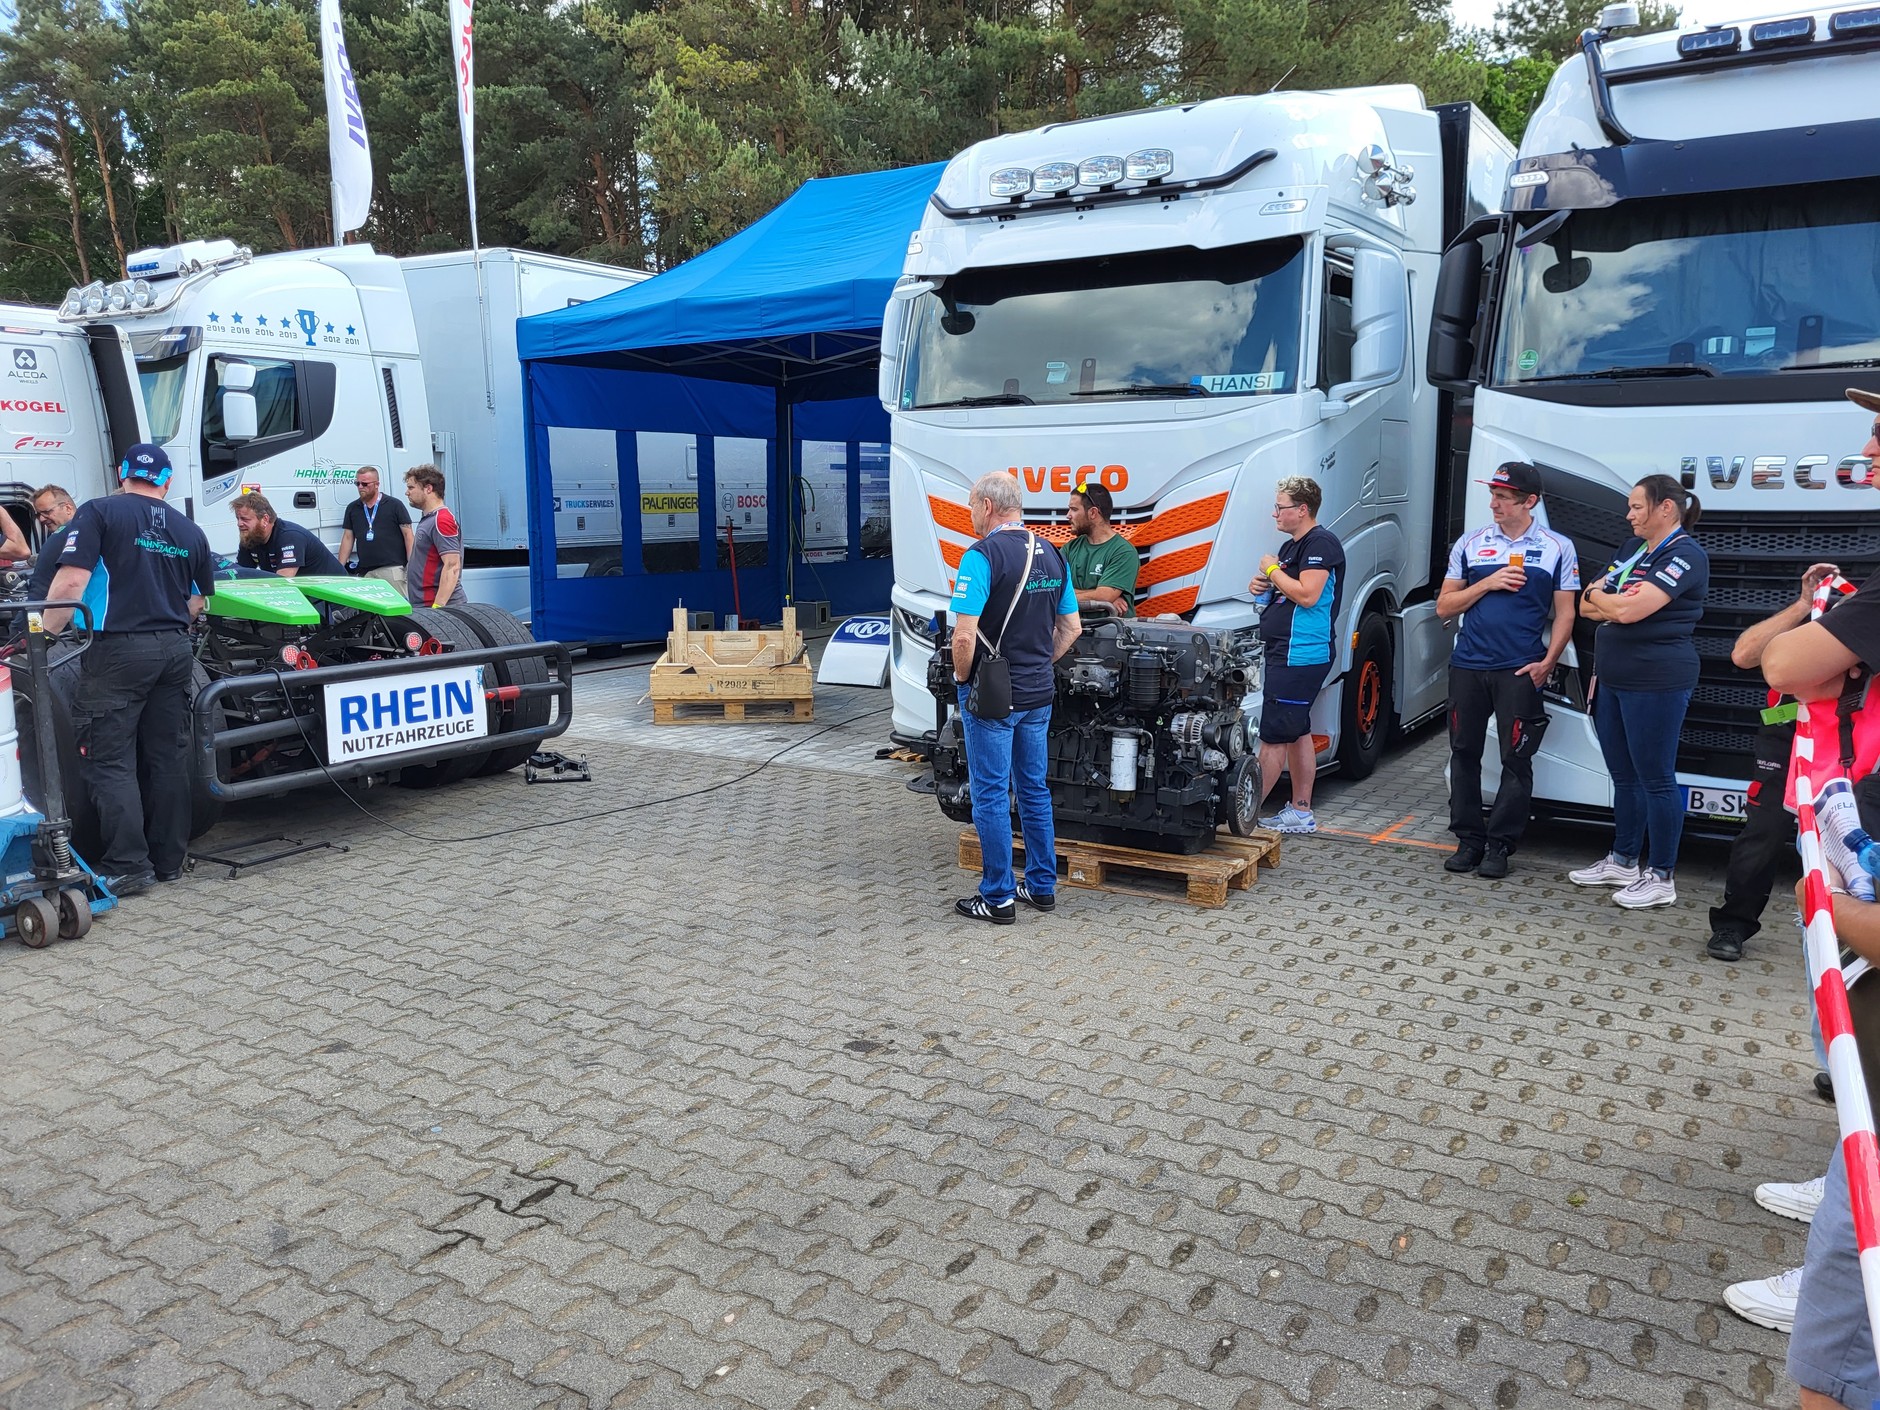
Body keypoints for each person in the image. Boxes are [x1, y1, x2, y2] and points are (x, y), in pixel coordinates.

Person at [42, 445, 214, 896]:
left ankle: (127, 865)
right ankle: (168, 861)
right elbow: (197, 602)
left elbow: (72, 581)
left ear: (123, 474)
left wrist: (41, 635)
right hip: (176, 649)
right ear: (167, 481)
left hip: (118, 650)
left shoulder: (99, 512)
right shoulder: (190, 529)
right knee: (167, 756)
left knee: (108, 759)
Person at [1567, 474, 1709, 908]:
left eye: (1636, 507)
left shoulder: (1686, 554)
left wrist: (1608, 599)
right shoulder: (1632, 550)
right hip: (1614, 677)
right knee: (1623, 775)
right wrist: (1607, 598)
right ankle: (1624, 859)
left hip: (1657, 681)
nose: (1628, 515)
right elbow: (1583, 603)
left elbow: (1627, 610)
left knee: (1656, 778)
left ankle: (1662, 875)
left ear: (1666, 508)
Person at [949, 471, 1081, 924]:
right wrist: (1041, 663)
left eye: (970, 506)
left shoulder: (981, 556)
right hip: (1038, 693)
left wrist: (964, 681)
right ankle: (1042, 887)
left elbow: (964, 637)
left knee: (989, 793)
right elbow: (1072, 628)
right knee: (1034, 789)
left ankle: (999, 896)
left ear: (987, 506)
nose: (970, 515)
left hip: (993, 698)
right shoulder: (1053, 554)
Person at [1436, 462, 1578, 879]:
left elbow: (1566, 614)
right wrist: (1486, 583)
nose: (1494, 503)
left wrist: (1548, 662)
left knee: (1516, 759)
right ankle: (1468, 839)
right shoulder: (1472, 542)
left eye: (1504, 496)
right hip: (1468, 665)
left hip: (1519, 669)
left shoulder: (1557, 546)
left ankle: (1500, 845)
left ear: (1529, 501)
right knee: (1463, 754)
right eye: (1493, 494)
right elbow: (1444, 606)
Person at [1704, 561, 1842, 962]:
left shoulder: (1860, 619)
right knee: (1762, 832)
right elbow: (1743, 655)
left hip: (1843, 743)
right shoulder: (1803, 621)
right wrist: (1802, 605)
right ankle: (1732, 925)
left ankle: (1848, 938)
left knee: (1846, 840)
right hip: (1784, 738)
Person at [1249, 476, 1344, 834]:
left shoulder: (1321, 543)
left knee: (1273, 735)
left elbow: (1307, 594)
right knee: (1298, 729)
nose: (1275, 513)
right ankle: (1301, 810)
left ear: (1302, 510)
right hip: (1285, 651)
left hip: (1300, 653)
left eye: (1281, 507)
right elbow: (1284, 590)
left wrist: (1272, 569)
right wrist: (1263, 582)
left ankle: (1244, 812)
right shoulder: (1292, 546)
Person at [1063, 481, 1137, 616]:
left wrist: (1103, 598)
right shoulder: (1069, 548)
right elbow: (1051, 589)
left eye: (1074, 509)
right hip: (1074, 633)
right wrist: (1101, 600)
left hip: (1109, 634)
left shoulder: (1123, 552)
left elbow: (1103, 596)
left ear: (1093, 513)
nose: (1068, 515)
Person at [337, 464, 413, 593]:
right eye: (358, 484)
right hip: (365, 571)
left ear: (377, 484)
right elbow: (348, 538)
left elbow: (408, 536)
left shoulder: (394, 505)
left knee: (397, 611)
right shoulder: (353, 508)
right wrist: (338, 569)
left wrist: (412, 565)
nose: (360, 487)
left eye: (365, 484)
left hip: (392, 569)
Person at [231, 492, 346, 577]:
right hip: (307, 597)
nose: (239, 524)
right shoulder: (250, 537)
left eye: (245, 519)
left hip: (335, 601)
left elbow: (283, 582)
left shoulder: (290, 536)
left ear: (265, 519)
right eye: (238, 518)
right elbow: (240, 574)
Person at [404, 463, 468, 608]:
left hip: (439, 609)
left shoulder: (442, 519)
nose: (407, 493)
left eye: (411, 487)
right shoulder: (430, 519)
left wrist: (438, 607)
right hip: (425, 606)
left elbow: (452, 566)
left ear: (428, 488)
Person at [26, 484, 78, 603]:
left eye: (46, 512)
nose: (41, 519)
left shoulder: (62, 535)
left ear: (68, 508)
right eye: (39, 514)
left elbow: (39, 592)